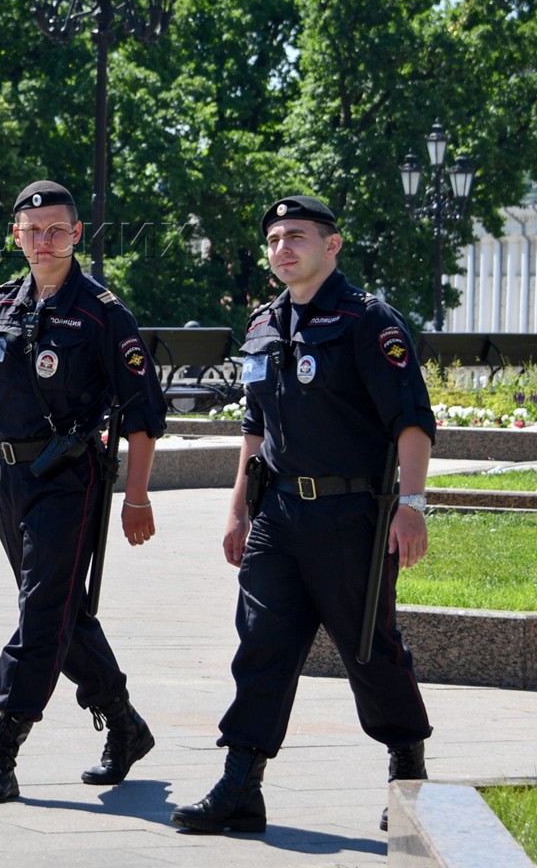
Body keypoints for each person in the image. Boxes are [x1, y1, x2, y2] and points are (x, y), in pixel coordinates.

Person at [171, 195, 435, 835]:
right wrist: (236, 509)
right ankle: (241, 785)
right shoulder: (264, 324)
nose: (283, 248)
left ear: (332, 244)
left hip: (351, 517)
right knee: (261, 646)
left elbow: (413, 422)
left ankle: (407, 775)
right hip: (278, 517)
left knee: (369, 649)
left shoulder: (368, 322)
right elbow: (254, 427)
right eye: (274, 240)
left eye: (297, 236)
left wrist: (412, 506)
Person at [0, 180, 166, 804]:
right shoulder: (1, 304)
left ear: (77, 234)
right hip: (5, 478)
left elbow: (141, 417)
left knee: (40, 611)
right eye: (31, 231)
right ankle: (124, 722)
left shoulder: (105, 314)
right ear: (15, 236)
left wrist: (136, 497)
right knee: (60, 611)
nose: (42, 241)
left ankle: (4, 749)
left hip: (68, 481)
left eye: (55, 230)